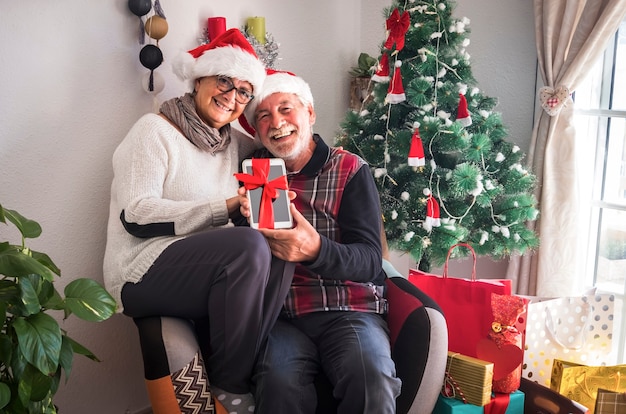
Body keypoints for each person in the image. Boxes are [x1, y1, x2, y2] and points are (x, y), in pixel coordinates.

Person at [102, 29, 294, 413]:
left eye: (243, 91)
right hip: (141, 269)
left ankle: (250, 366)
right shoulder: (154, 131)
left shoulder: (239, 147)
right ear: (199, 80)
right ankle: (231, 387)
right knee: (249, 246)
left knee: (280, 245)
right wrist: (224, 206)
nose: (231, 96)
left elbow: (280, 152)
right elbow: (135, 214)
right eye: (224, 81)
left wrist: (313, 152)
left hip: (205, 269)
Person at [239, 69, 402, 413]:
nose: (276, 122)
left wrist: (315, 249)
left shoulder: (349, 169)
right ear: (257, 130)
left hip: (349, 310)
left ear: (309, 113)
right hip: (282, 314)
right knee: (276, 382)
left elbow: (371, 260)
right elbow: (246, 256)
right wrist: (243, 217)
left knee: (371, 377)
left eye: (286, 109)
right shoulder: (256, 172)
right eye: (264, 116)